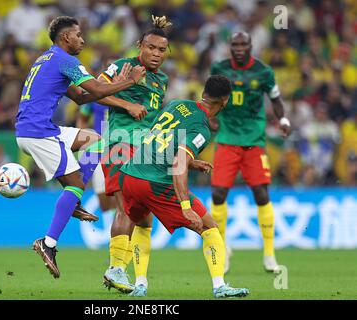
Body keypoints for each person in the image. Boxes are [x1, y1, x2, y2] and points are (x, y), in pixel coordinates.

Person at [15, 16, 145, 279]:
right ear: (65, 38)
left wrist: (120, 98)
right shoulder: (66, 60)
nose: (82, 39)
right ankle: (48, 244)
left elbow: (83, 97)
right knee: (75, 182)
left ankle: (73, 201)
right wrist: (130, 81)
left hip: (34, 129)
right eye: (78, 34)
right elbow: (95, 88)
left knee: (93, 139)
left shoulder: (47, 59)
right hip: (38, 132)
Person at [118, 75, 249, 298]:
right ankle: (219, 286)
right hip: (155, 182)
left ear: (204, 91)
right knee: (209, 228)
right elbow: (179, 163)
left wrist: (192, 161)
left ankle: (140, 285)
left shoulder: (177, 104)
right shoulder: (202, 127)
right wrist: (185, 205)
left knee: (142, 225)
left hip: (130, 175)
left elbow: (160, 139)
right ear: (225, 101)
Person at [98, 16, 172, 294]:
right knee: (127, 206)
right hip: (121, 144)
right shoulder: (122, 66)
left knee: (143, 217)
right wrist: (126, 104)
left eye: (161, 50)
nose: (155, 54)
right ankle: (115, 268)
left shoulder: (161, 79)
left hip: (145, 150)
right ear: (140, 45)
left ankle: (136, 278)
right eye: (151, 47)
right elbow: (91, 90)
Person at [209, 32, 291, 273]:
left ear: (251, 46)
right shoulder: (219, 67)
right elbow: (210, 97)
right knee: (217, 194)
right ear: (230, 47)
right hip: (226, 139)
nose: (239, 48)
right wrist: (210, 117)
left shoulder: (264, 72)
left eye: (243, 44)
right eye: (235, 44)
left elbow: (275, 99)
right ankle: (223, 249)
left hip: (254, 141)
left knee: (261, 194)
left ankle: (269, 254)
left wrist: (283, 119)